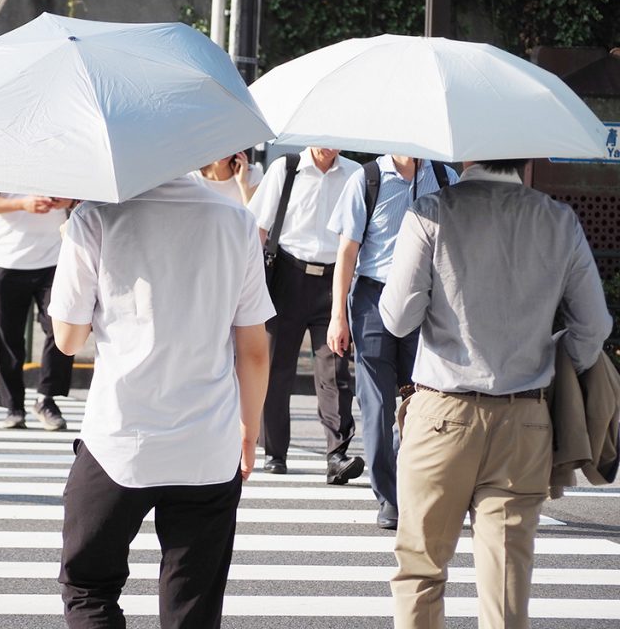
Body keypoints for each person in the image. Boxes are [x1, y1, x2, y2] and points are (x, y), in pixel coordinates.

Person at [378, 159, 612, 629]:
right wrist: (546, 353)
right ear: (524, 157)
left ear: (465, 151)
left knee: (421, 572)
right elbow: (594, 329)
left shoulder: (431, 212)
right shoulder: (557, 219)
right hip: (524, 419)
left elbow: (398, 318)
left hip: (442, 413)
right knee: (506, 587)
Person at [50, 175, 273, 629]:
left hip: (120, 439)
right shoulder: (235, 220)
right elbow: (253, 349)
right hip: (207, 443)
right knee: (192, 605)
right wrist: (248, 433)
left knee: (89, 587)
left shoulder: (93, 217)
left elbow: (68, 339)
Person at [326, 155, 457, 529]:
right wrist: (338, 316)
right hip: (372, 299)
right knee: (378, 404)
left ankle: (409, 483)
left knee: (422, 403)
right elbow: (346, 253)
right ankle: (389, 498)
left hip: (427, 301)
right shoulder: (366, 180)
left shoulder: (446, 179)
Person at [247, 147, 364, 482]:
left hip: (334, 279)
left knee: (335, 367)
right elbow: (259, 228)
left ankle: (337, 454)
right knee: (275, 367)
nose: (328, 144)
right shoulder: (287, 168)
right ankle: (274, 452)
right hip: (287, 274)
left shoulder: (354, 174)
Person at [0, 192, 75, 429]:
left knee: (61, 325)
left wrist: (68, 201)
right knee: (7, 335)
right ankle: (13, 406)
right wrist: (21, 203)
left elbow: (83, 196)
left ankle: (46, 398)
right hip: (6, 258)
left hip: (55, 257)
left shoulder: (64, 154)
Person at [187, 149, 263, 205]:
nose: (223, 152)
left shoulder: (252, 174)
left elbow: (255, 217)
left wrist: (242, 183)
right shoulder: (192, 179)